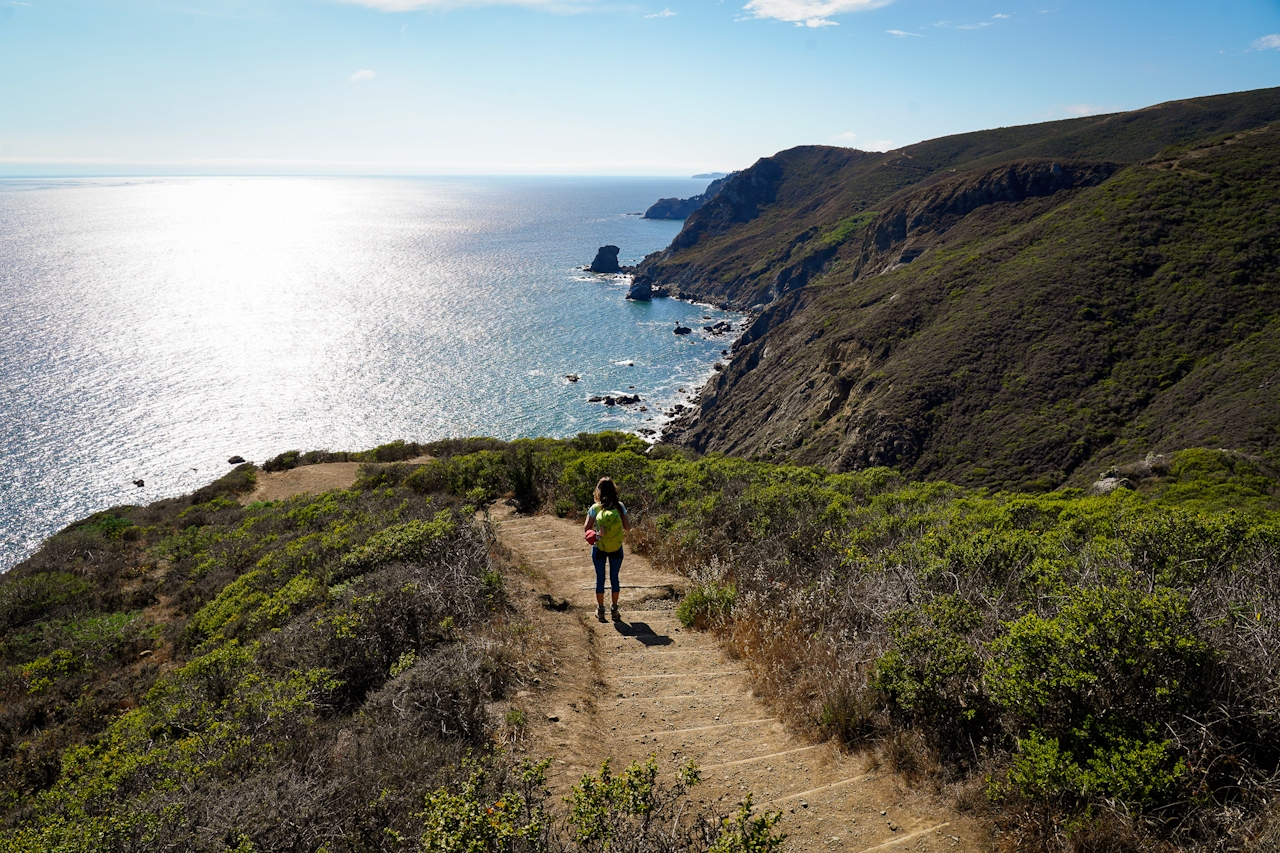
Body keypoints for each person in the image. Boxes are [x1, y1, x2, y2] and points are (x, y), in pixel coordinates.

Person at [584, 476, 630, 622]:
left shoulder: (595, 508)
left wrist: (598, 535)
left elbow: (586, 529)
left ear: (598, 491)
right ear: (614, 490)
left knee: (600, 579)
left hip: (599, 547)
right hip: (616, 547)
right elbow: (628, 528)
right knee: (614, 577)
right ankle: (615, 610)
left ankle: (601, 610)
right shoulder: (619, 506)